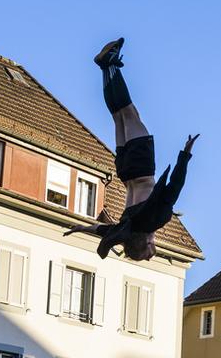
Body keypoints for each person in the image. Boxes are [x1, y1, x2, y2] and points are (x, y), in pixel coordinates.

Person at [64, 37, 198, 261]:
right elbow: (100, 230)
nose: (154, 242)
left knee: (129, 112)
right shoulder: (124, 229)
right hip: (125, 170)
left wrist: (185, 155)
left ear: (147, 241)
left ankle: (109, 64)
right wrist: (79, 228)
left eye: (152, 246)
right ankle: (106, 67)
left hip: (141, 166)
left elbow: (175, 186)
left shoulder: (154, 220)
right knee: (118, 117)